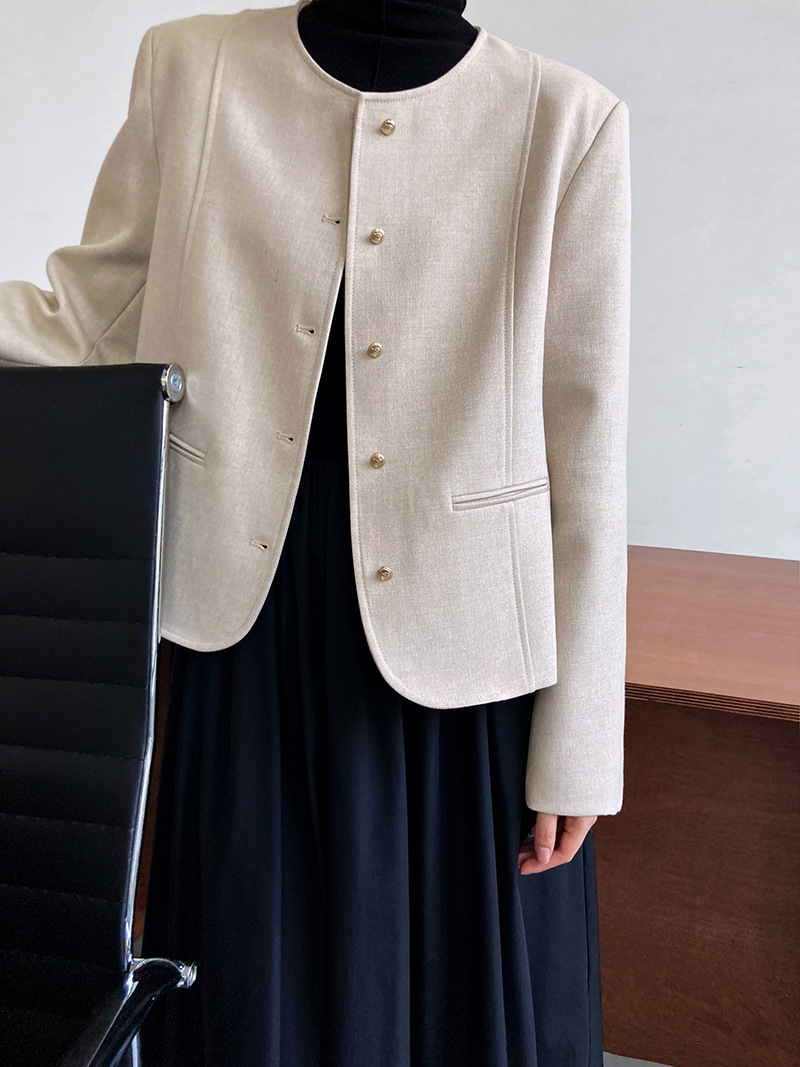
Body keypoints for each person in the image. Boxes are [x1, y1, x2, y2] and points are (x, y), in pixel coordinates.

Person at [0, 1, 630, 1063]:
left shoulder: (567, 117)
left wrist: (580, 748)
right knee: (249, 981)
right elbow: (92, 314)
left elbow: (587, 441)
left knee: (442, 1003)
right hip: (248, 627)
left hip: (463, 652)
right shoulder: (191, 67)